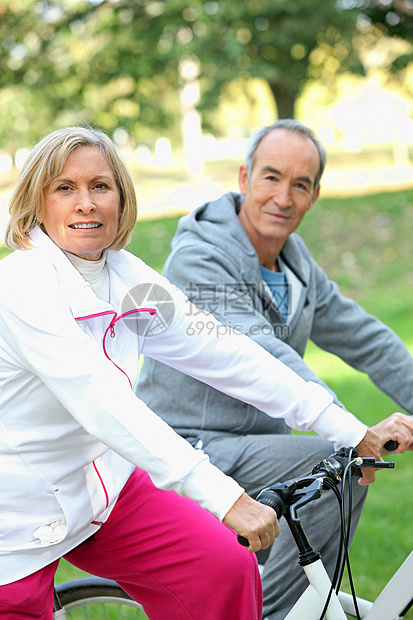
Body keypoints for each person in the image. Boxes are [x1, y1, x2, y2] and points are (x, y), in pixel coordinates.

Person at [0, 125, 382, 620]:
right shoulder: (22, 288)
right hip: (15, 511)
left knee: (223, 569)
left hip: (105, 489)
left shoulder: (125, 275)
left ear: (121, 197)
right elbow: (103, 403)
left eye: (100, 186)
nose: (86, 203)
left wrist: (345, 428)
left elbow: (222, 351)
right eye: (65, 188)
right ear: (38, 202)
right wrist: (225, 497)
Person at [137, 119, 413, 619]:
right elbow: (259, 349)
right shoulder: (200, 259)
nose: (283, 196)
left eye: (300, 184)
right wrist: (351, 430)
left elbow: (366, 339)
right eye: (270, 177)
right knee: (338, 467)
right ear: (243, 178)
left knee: (336, 482)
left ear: (314, 195)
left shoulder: (294, 262)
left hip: (254, 448)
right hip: (191, 447)